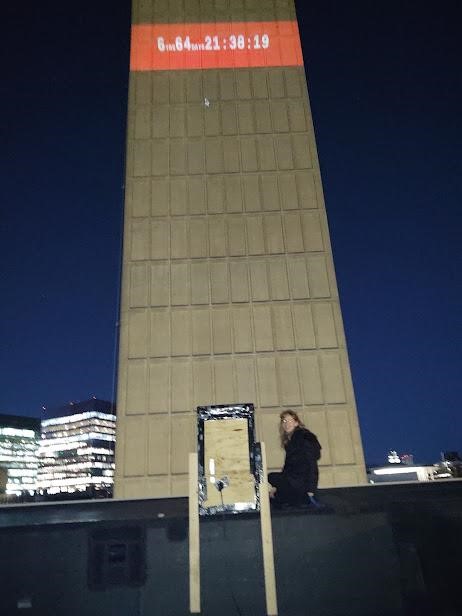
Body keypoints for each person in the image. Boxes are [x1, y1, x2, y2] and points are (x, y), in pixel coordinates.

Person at [268, 410, 322, 508]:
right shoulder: (292, 441)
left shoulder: (303, 438)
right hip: (294, 481)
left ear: (296, 423)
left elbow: (312, 465)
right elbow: (288, 467)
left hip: (300, 484)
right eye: (284, 421)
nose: (286, 424)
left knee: (271, 478)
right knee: (274, 491)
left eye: (290, 420)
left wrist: (311, 490)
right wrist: (276, 487)